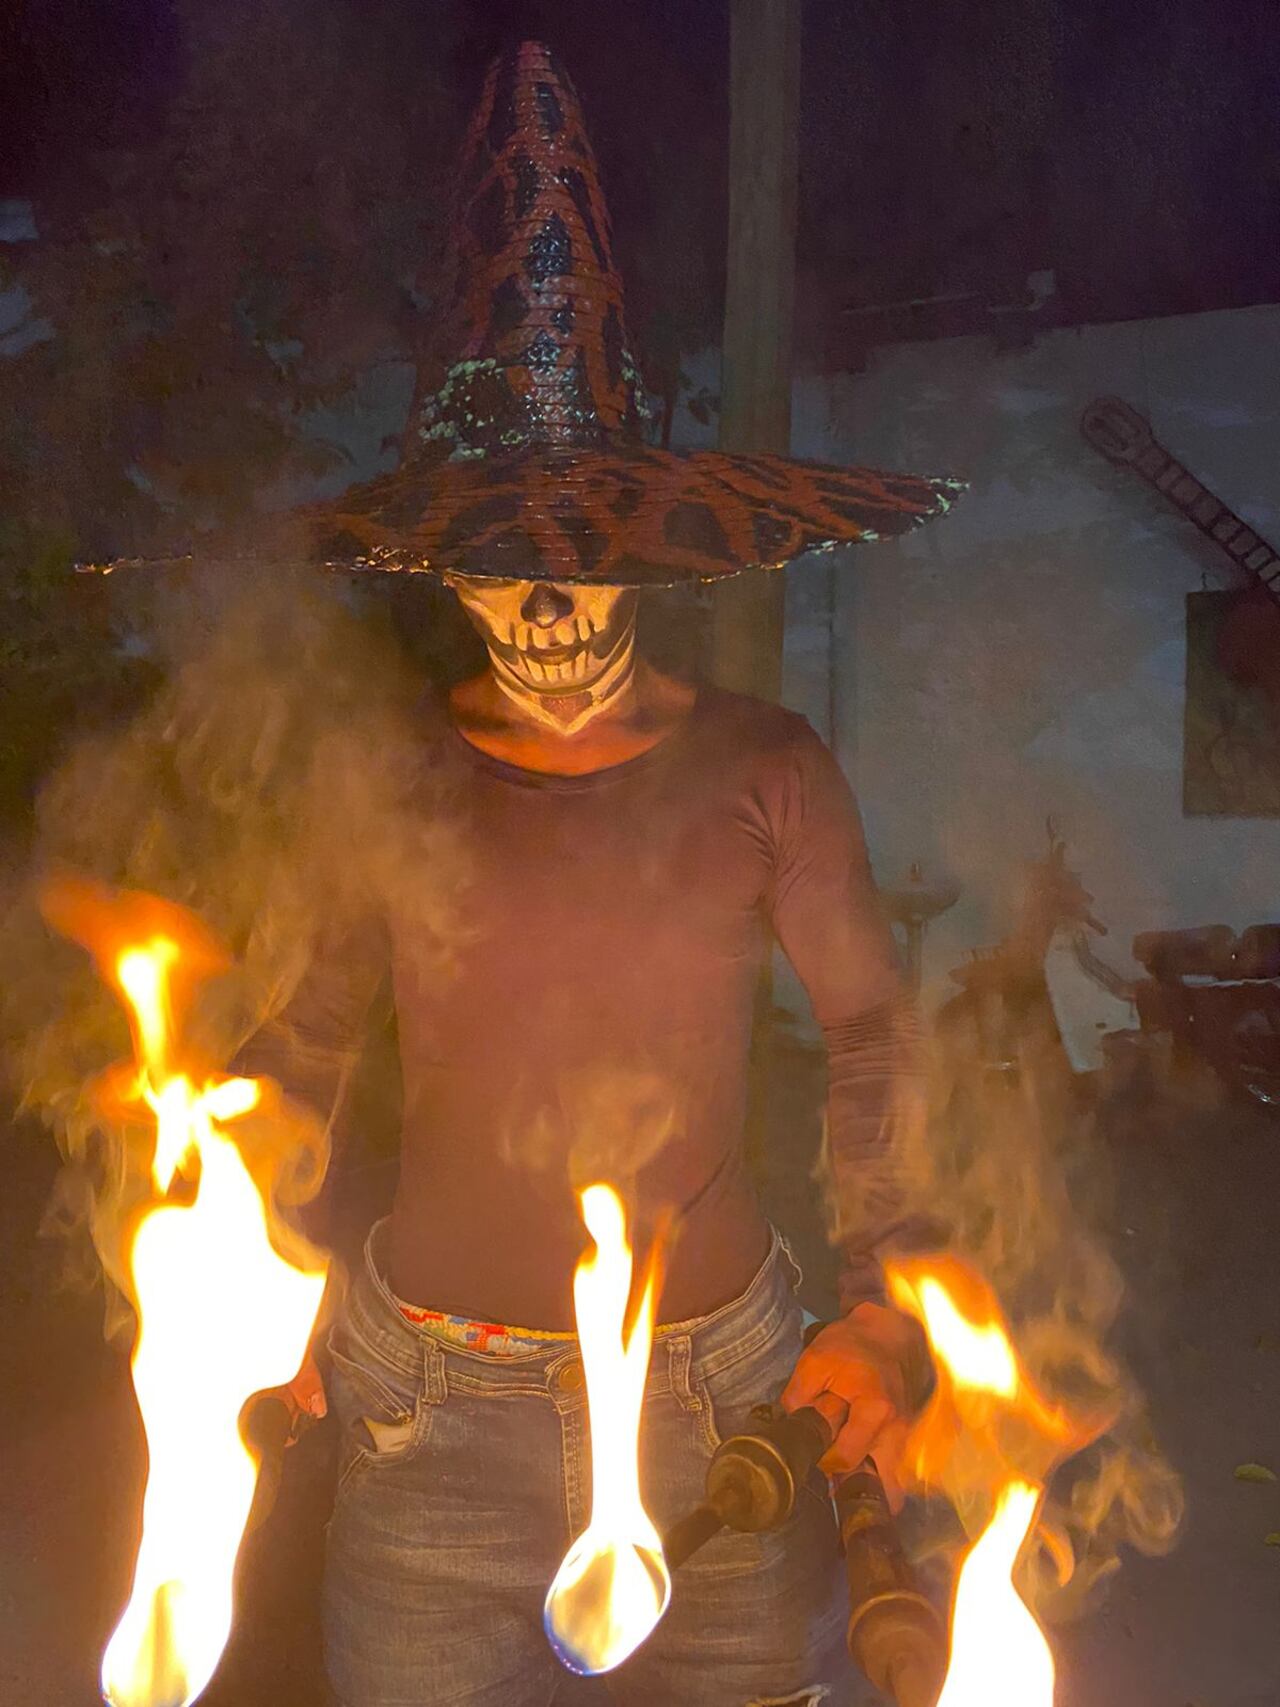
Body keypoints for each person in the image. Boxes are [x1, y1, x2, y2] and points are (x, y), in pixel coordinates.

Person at [185, 40, 960, 1707]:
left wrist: (893, 1308)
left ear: (646, 545)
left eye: (577, 556)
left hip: (720, 1406)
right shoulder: (383, 774)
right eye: (494, 561)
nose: (544, 605)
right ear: (435, 567)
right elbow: (304, 1041)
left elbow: (877, 1039)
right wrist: (235, 1243)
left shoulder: (766, 768)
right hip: (415, 1418)